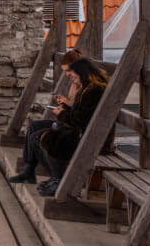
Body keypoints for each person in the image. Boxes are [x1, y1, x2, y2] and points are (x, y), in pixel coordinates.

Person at [37, 57, 110, 196]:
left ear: (83, 74)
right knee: (48, 136)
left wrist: (62, 113)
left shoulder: (94, 91)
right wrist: (64, 109)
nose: (74, 80)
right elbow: (79, 115)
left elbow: (80, 120)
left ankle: (59, 181)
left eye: (75, 77)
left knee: (50, 139)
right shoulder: (89, 88)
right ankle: (57, 178)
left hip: (92, 139)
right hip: (86, 134)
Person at [8, 49, 83, 184]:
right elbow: (73, 106)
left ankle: (56, 176)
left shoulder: (84, 86)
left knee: (35, 137)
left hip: (72, 129)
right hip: (65, 121)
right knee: (33, 126)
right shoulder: (73, 84)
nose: (67, 74)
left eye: (68, 71)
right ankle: (28, 170)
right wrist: (64, 103)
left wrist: (66, 105)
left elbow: (80, 113)